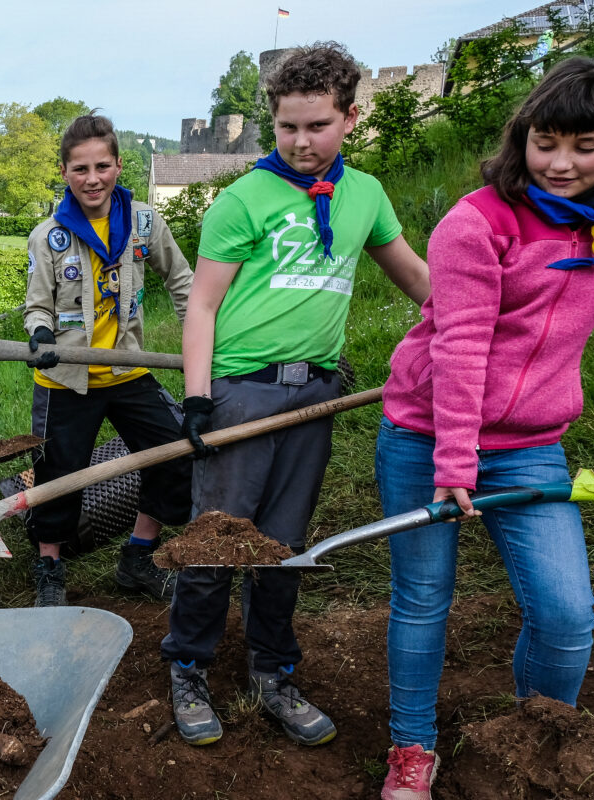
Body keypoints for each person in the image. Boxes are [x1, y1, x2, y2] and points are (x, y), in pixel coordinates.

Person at [375, 58, 594, 800]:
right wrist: (456, 459)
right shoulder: (478, 221)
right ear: (525, 137)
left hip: (531, 445)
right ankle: (411, 747)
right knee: (423, 597)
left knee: (566, 612)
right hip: (426, 436)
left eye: (587, 146)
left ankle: (536, 738)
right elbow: (461, 345)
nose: (562, 163)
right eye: (547, 142)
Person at [162, 42, 430, 749]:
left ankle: (272, 672)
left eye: (317, 125)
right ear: (272, 123)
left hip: (315, 397)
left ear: (349, 118)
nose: (302, 142)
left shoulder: (365, 195)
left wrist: (479, 322)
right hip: (241, 395)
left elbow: (414, 277)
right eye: (288, 127)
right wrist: (197, 398)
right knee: (217, 539)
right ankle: (187, 667)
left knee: (283, 544)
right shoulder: (242, 200)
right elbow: (203, 308)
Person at [22, 113, 194, 608]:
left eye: (102, 166)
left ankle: (138, 557)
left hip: (128, 368)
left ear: (119, 165)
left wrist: (198, 338)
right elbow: (37, 303)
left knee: (175, 453)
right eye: (80, 169)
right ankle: (50, 567)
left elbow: (181, 281)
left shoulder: (143, 222)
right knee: (58, 474)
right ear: (64, 172)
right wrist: (39, 331)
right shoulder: (48, 235)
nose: (92, 179)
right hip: (67, 379)